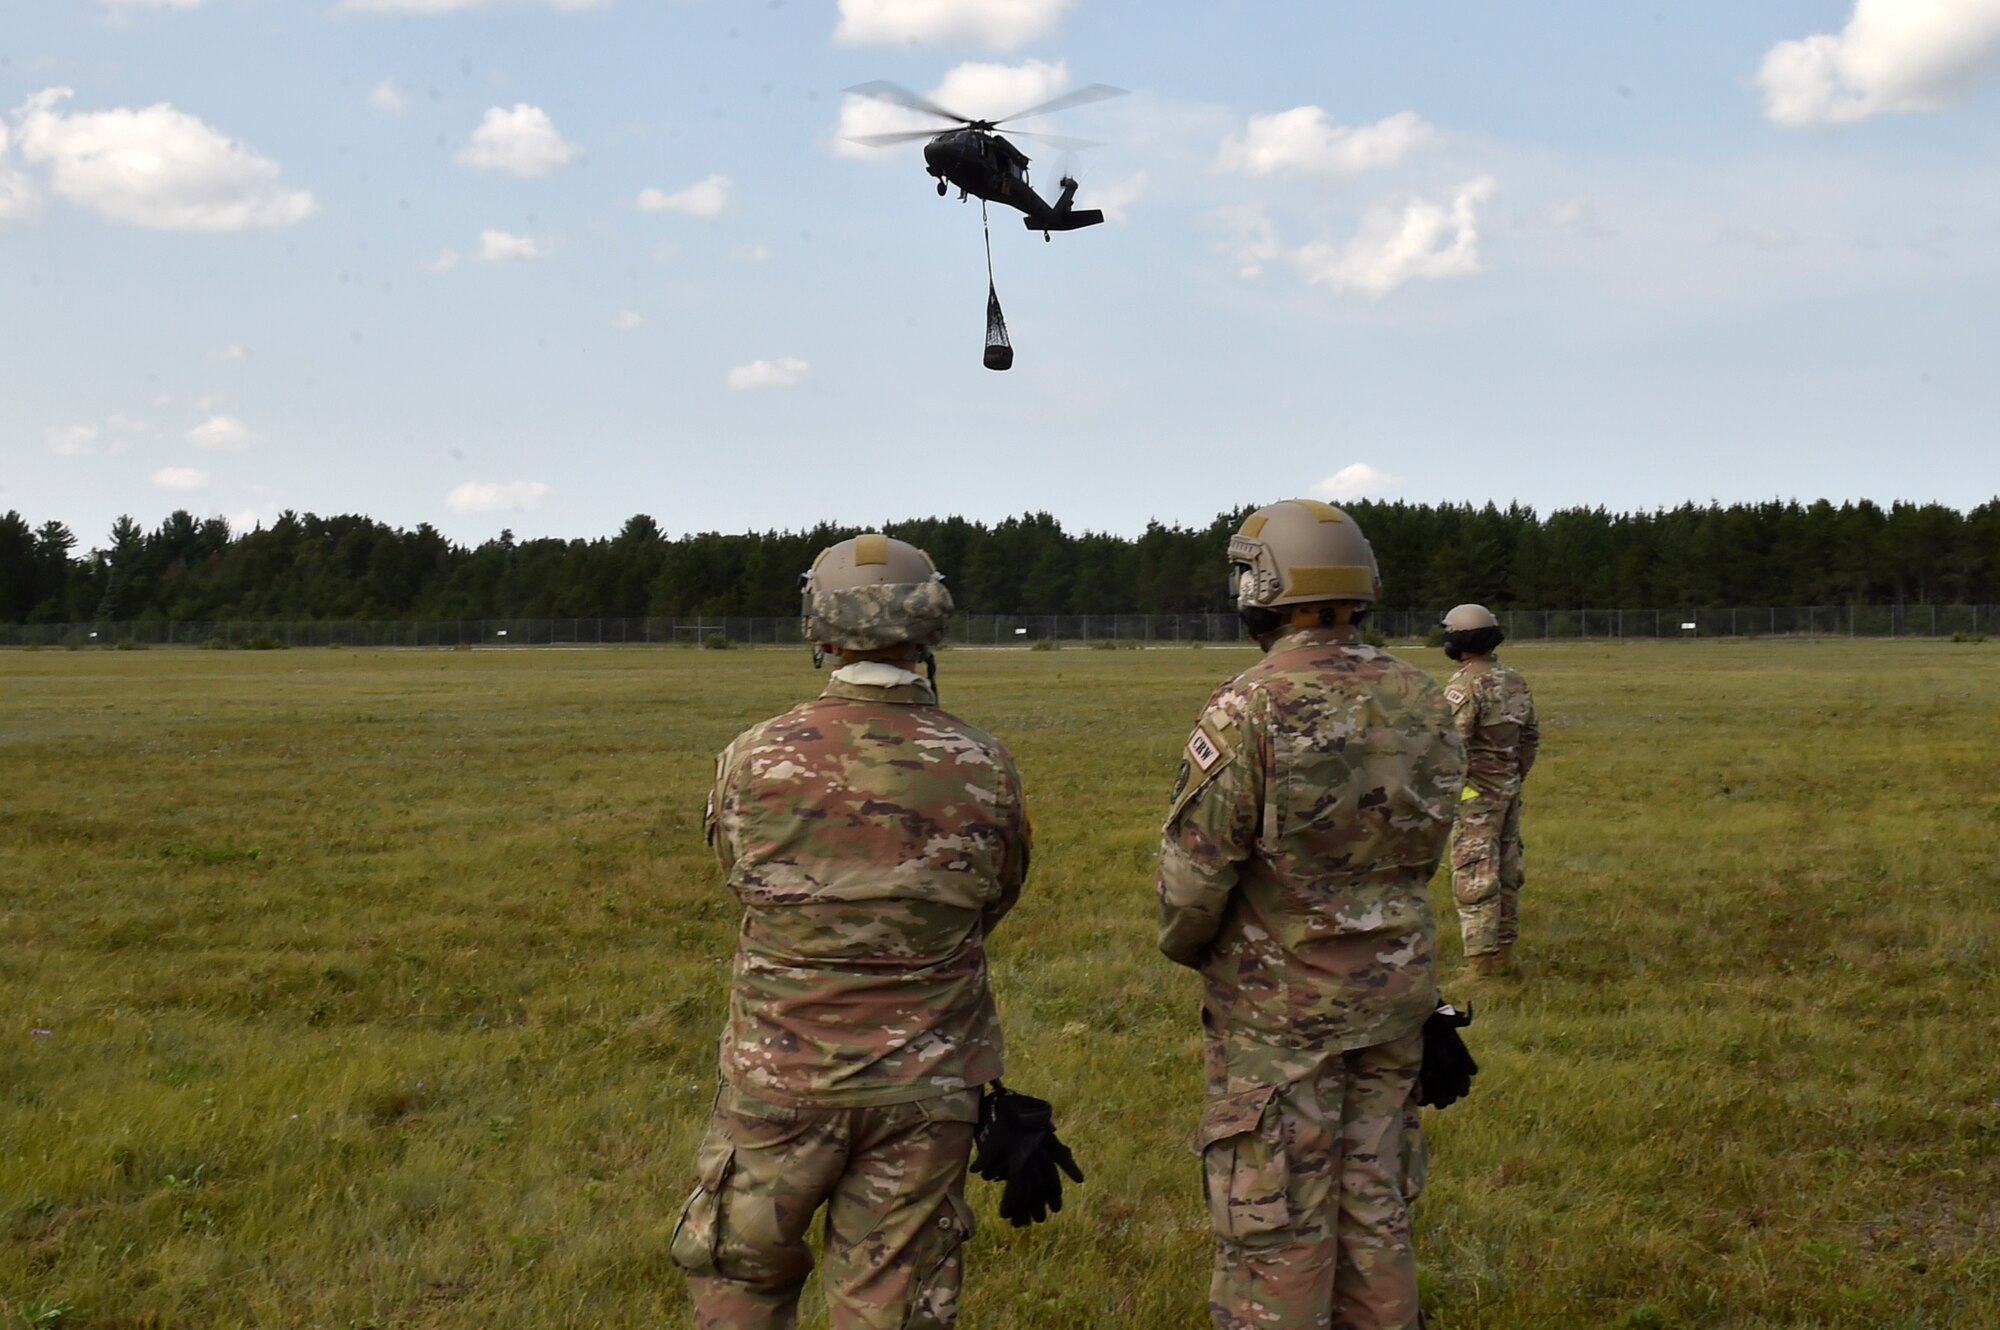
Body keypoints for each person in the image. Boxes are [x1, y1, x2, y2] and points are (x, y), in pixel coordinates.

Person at [670, 534, 1033, 1330]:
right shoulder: (983, 762)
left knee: (741, 1279)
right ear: (929, 625)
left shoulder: (753, 757)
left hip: (781, 1075)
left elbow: (744, 886)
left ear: (819, 626)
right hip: (927, 1082)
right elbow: (994, 899)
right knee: (893, 1304)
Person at [1157, 499, 1465, 1330]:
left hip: (1280, 1012)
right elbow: (1428, 842)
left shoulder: (1250, 704)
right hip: (1394, 995)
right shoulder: (1425, 697)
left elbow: (1194, 882)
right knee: (1376, 1211)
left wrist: (1199, 951)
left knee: (1276, 1223)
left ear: (1263, 586)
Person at [1439, 603, 1540, 978]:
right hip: (1507, 789)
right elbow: (1530, 737)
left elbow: (1452, 746)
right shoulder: (1514, 679)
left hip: (1474, 796)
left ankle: (1480, 965)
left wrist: (1454, 791)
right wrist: (1512, 777)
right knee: (1508, 868)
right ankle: (1503, 955)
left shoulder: (1464, 685)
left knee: (1474, 870)